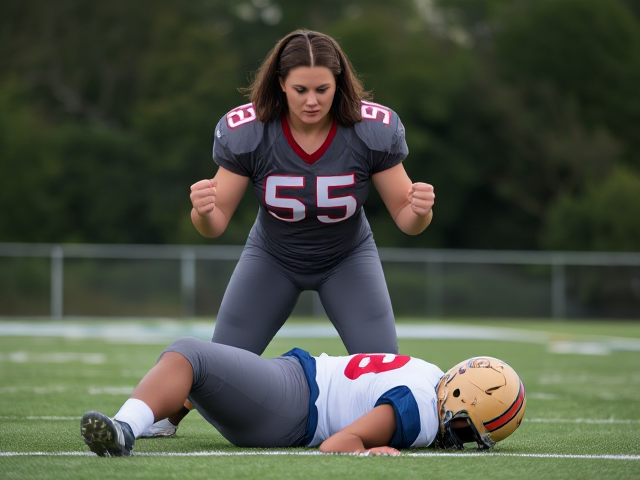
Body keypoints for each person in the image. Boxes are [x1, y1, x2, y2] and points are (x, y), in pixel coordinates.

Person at [141, 28, 436, 439]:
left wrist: (420, 210)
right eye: (300, 89)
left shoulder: (371, 129)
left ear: (340, 84)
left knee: (383, 368)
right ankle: (168, 413)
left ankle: (362, 435)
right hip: (273, 258)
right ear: (281, 84)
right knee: (221, 363)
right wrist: (202, 211)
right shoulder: (252, 129)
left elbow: (407, 219)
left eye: (322, 89)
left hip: (347, 258)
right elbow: (215, 225)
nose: (311, 101)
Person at [81, 337, 526, 457]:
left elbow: (338, 444)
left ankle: (128, 428)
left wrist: (369, 450)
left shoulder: (429, 387)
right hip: (296, 394)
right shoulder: (423, 407)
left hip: (293, 405)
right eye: (469, 429)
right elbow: (346, 438)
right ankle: (155, 419)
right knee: (199, 363)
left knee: (190, 355)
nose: (462, 439)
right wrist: (374, 447)